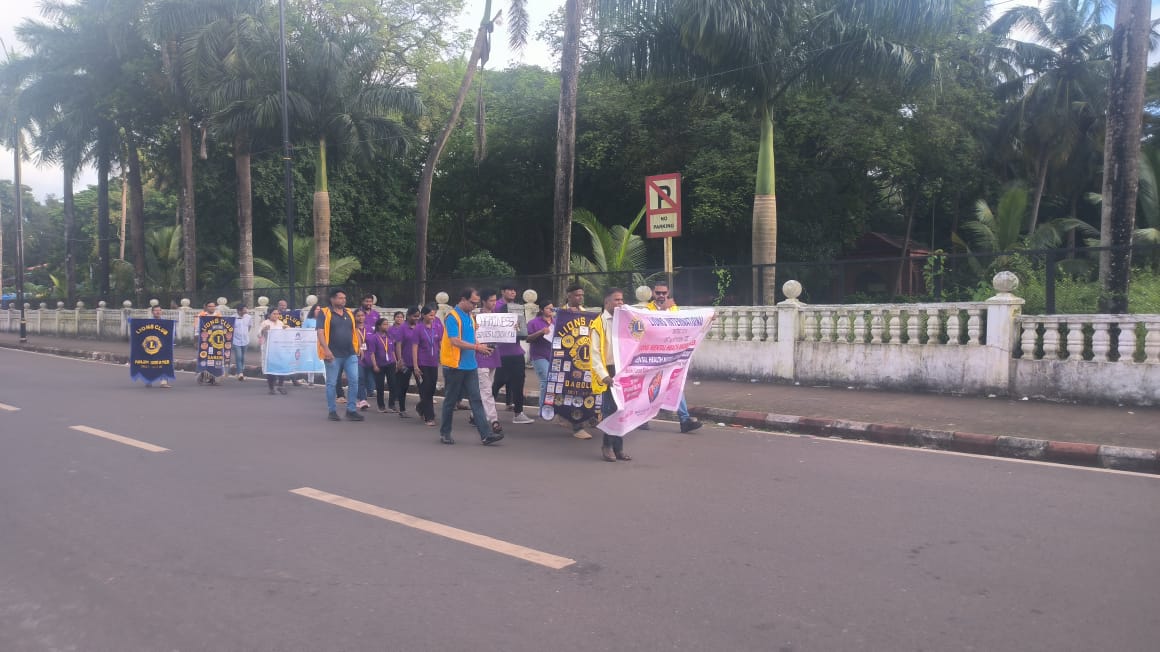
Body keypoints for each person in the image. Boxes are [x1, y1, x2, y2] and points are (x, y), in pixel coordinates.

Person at [438, 288, 501, 446]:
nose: (475, 305)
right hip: (454, 365)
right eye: (472, 303)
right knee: (451, 401)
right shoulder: (452, 317)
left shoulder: (470, 317)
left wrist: (481, 346)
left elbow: (472, 338)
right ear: (463, 299)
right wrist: (477, 348)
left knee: (476, 400)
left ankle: (486, 435)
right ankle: (445, 433)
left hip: (470, 365)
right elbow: (455, 341)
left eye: (476, 303)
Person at [646, 281, 702, 433]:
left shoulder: (674, 308)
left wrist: (706, 320)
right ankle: (641, 418)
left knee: (675, 385)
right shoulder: (646, 309)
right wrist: (664, 310)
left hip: (671, 357)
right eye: (658, 293)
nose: (661, 296)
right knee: (648, 388)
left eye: (664, 293)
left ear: (668, 293)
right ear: (653, 293)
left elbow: (683, 327)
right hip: (652, 357)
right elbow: (651, 326)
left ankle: (684, 420)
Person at [590, 287, 631, 462]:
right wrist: (604, 376)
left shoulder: (625, 319)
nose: (620, 303)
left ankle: (619, 447)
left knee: (622, 410)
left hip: (624, 369)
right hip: (609, 371)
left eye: (621, 299)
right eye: (616, 300)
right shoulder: (598, 323)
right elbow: (594, 353)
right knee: (609, 410)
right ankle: (607, 446)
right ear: (607, 302)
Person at [316, 288, 364, 422]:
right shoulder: (324, 313)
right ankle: (332, 411)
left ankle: (351, 410)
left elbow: (355, 330)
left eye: (344, 298)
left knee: (354, 380)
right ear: (332, 299)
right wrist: (326, 349)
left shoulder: (349, 313)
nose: (343, 300)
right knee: (331, 383)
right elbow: (320, 332)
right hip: (333, 354)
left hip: (350, 353)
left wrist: (360, 347)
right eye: (340, 298)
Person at [493, 284, 532, 424]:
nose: (513, 292)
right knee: (498, 382)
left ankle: (518, 413)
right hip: (502, 351)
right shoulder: (496, 306)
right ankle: (483, 411)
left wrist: (520, 330)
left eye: (515, 290)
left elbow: (522, 328)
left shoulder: (518, 307)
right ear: (503, 291)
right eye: (510, 290)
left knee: (519, 381)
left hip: (516, 351)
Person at [473, 290, 504, 434]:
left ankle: (476, 414)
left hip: (494, 354)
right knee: (486, 390)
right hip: (480, 355)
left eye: (495, 300)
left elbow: (505, 333)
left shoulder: (498, 317)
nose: (494, 303)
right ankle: (494, 420)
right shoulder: (475, 316)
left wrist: (512, 329)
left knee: (487, 388)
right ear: (484, 301)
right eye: (491, 300)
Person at [411, 304, 442, 426]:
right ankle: (429, 416)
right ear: (423, 315)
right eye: (430, 315)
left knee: (432, 387)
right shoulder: (418, 329)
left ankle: (420, 406)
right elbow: (414, 348)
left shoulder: (435, 327)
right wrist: (415, 366)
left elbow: (439, 343)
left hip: (434, 362)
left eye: (434, 315)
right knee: (427, 387)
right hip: (422, 362)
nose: (433, 317)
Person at [526, 302, 554, 412]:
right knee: (545, 380)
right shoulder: (534, 322)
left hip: (553, 355)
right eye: (548, 308)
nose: (551, 310)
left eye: (552, 308)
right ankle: (542, 408)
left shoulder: (555, 322)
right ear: (542, 309)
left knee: (553, 382)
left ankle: (551, 407)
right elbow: (527, 339)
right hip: (539, 355)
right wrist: (541, 332)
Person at [396, 307, 421, 419]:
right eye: (414, 316)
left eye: (418, 316)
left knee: (422, 386)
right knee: (403, 386)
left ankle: (422, 408)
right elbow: (398, 344)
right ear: (408, 316)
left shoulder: (420, 327)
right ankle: (402, 409)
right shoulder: (403, 328)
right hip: (406, 362)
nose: (416, 318)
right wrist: (400, 360)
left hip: (419, 362)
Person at [257, 308, 288, 395]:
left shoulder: (280, 323)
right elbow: (259, 334)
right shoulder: (265, 323)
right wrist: (264, 330)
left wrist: (286, 330)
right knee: (271, 369)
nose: (276, 315)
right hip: (268, 349)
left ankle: (281, 385)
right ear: (269, 314)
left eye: (277, 314)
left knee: (282, 367)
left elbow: (284, 335)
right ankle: (271, 388)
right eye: (274, 314)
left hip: (279, 349)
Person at [365, 316, 391, 412]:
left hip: (390, 363)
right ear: (379, 326)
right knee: (380, 386)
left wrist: (396, 361)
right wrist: (375, 365)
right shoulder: (374, 338)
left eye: (387, 324)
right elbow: (372, 352)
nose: (387, 326)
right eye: (384, 324)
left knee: (392, 384)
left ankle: (391, 405)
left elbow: (392, 351)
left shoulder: (389, 336)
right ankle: (381, 406)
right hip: (380, 364)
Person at [384, 311, 407, 413]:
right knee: (395, 376)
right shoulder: (390, 329)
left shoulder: (406, 328)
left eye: (401, 317)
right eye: (397, 317)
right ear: (394, 318)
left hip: (405, 353)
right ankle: (395, 396)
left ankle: (400, 394)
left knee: (403, 375)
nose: (399, 319)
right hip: (393, 353)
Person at [145, 304, 172, 389]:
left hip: (163, 346)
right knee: (151, 363)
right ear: (152, 312)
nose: (158, 312)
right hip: (151, 346)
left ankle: (163, 382)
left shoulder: (166, 323)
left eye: (159, 310)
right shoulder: (147, 323)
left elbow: (171, 333)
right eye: (156, 310)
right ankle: (148, 380)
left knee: (164, 363)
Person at [197, 300, 221, 385]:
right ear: (207, 307)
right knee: (205, 358)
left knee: (215, 358)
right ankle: (203, 374)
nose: (212, 308)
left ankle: (214, 377)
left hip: (215, 340)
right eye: (210, 306)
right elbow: (197, 328)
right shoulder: (202, 315)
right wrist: (196, 339)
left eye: (213, 306)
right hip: (204, 341)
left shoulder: (218, 316)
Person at [354, 309, 372, 410]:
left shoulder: (369, 328)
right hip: (357, 356)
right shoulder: (352, 329)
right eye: (358, 316)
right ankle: (362, 400)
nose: (361, 318)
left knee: (368, 379)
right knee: (360, 377)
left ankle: (359, 396)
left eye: (362, 316)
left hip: (368, 356)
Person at [232, 304, 252, 381]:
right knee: (238, 356)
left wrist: (245, 334)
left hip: (245, 340)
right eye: (244, 309)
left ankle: (239, 372)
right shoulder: (233, 318)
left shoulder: (248, 317)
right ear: (239, 310)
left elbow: (249, 326)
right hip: (235, 340)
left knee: (243, 357)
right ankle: (240, 373)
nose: (246, 311)